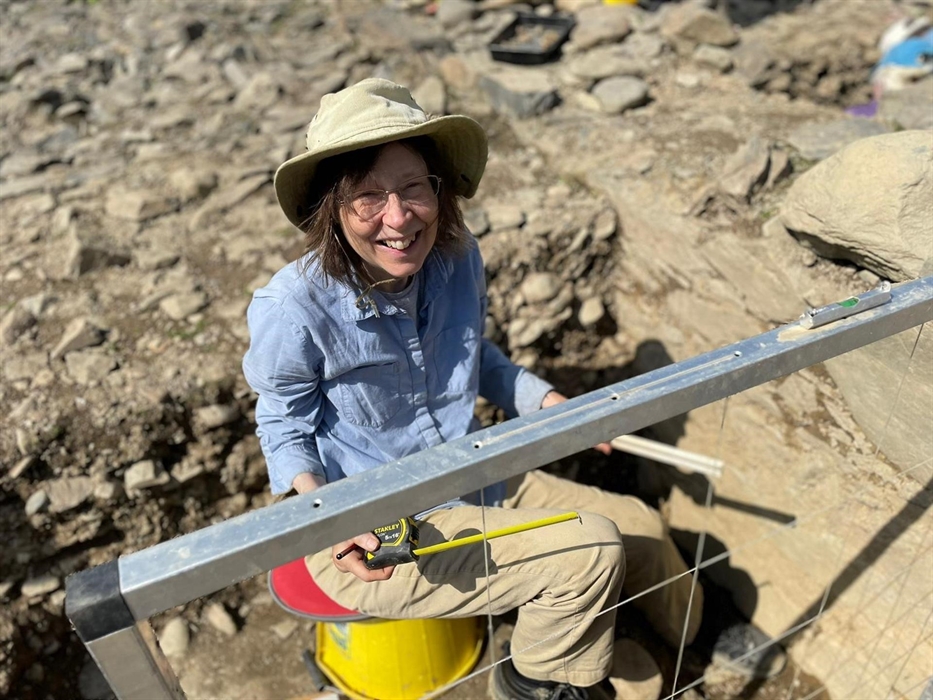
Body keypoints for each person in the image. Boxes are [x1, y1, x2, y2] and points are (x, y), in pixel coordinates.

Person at [243, 78, 704, 699]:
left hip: (477, 469)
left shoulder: (457, 257)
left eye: (414, 188)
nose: (398, 218)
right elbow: (283, 422)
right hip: (378, 525)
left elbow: (470, 357)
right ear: (332, 207)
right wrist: (328, 517)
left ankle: (694, 650)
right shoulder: (294, 306)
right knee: (592, 547)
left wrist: (544, 400)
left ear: (440, 188)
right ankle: (525, 684)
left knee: (641, 527)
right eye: (368, 198)